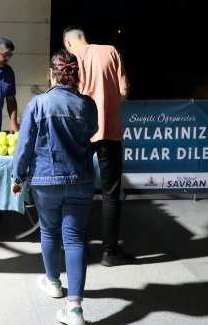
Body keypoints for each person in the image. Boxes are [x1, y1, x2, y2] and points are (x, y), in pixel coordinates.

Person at [11, 49, 99, 325]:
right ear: (75, 74)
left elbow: (24, 145)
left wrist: (18, 177)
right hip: (81, 180)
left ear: (52, 73)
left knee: (49, 231)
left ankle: (53, 282)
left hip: (46, 180)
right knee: (74, 238)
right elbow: (92, 135)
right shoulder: (88, 105)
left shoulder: (39, 104)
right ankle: (74, 308)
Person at [63, 25, 135, 267]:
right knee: (111, 193)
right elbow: (124, 90)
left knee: (77, 192)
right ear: (85, 37)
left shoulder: (68, 59)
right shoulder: (110, 51)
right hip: (108, 131)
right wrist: (108, 108)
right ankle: (109, 252)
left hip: (78, 134)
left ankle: (79, 249)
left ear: (68, 43)